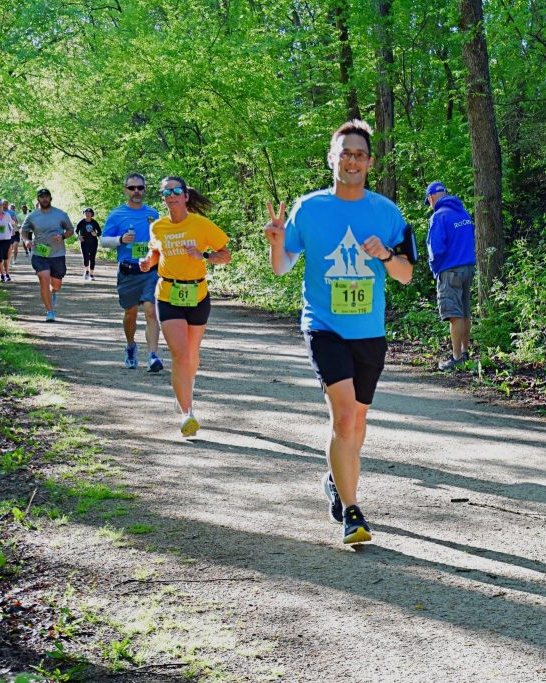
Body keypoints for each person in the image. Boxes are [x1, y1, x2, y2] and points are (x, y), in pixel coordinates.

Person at [265, 119, 415, 545]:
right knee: (344, 416)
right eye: (345, 153)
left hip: (369, 330)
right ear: (332, 158)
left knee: (359, 421)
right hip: (324, 326)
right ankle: (352, 512)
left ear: (369, 163)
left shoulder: (387, 213)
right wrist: (277, 240)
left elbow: (405, 275)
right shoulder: (308, 208)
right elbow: (282, 266)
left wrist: (385, 254)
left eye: (360, 154)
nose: (352, 160)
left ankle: (336, 479)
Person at [139, 176, 230, 437]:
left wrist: (202, 255)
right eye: (166, 192)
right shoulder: (158, 227)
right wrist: (148, 262)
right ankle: (187, 413)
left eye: (176, 190)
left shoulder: (201, 225)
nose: (171, 195)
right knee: (180, 355)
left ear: (186, 196)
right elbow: (155, 252)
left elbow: (225, 256)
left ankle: (183, 390)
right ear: (163, 198)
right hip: (168, 294)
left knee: (191, 355)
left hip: (197, 294)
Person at [100, 174, 164, 372]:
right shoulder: (117, 214)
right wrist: (120, 240)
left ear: (145, 189)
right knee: (131, 313)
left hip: (151, 271)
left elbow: (162, 238)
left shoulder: (153, 214)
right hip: (128, 271)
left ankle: (153, 356)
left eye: (140, 188)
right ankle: (130, 346)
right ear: (125, 190)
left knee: (151, 310)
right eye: (132, 188)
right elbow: (103, 241)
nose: (136, 192)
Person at [425, 181, 477, 370]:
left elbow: (436, 249)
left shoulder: (438, 217)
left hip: (450, 270)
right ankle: (464, 352)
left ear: (431, 198)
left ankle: (455, 359)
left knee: (454, 314)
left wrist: (435, 269)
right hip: (468, 268)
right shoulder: (463, 213)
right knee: (464, 312)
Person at [20, 188, 74, 322]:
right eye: (41, 197)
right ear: (38, 199)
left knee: (56, 285)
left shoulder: (60, 214)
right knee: (44, 278)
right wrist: (26, 240)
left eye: (46, 197)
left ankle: (53, 291)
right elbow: (23, 230)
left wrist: (62, 236)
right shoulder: (32, 216)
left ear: (50, 198)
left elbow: (71, 230)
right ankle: (50, 311)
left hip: (57, 253)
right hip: (40, 252)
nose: (44, 199)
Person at [75, 207, 102, 280]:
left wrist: (96, 234)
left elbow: (100, 232)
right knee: (86, 257)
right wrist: (78, 236)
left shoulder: (94, 222)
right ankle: (86, 271)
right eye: (86, 213)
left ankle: (91, 274)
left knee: (92, 258)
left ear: (92, 214)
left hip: (93, 243)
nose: (87, 214)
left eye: (89, 213)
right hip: (84, 242)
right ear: (84, 214)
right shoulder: (81, 222)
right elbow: (75, 231)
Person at [4, 200, 22, 265]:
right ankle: (8, 259)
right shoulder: (0, 212)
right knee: (9, 247)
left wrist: (17, 224)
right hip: (7, 232)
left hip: (15, 231)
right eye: (4, 204)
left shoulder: (12, 212)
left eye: (6, 204)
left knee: (16, 246)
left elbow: (16, 221)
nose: (5, 205)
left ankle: (15, 259)